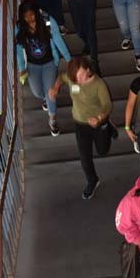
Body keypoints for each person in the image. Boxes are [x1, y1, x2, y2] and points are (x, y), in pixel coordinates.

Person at [49, 56, 113, 199]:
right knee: (85, 157)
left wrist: (99, 118)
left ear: (88, 69)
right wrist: (55, 88)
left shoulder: (98, 84)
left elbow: (108, 105)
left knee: (103, 151)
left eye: (82, 75)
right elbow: (61, 77)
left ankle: (109, 128)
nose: (80, 80)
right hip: (80, 123)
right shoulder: (72, 79)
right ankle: (92, 180)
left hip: (98, 122)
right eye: (77, 77)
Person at [16, 0, 71, 136]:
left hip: (49, 63)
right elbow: (18, 49)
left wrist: (69, 59)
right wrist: (22, 68)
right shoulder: (19, 27)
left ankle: (52, 120)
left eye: (32, 15)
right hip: (33, 66)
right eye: (26, 16)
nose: (30, 19)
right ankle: (45, 99)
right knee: (38, 93)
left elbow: (58, 40)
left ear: (36, 13)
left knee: (50, 92)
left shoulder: (47, 21)